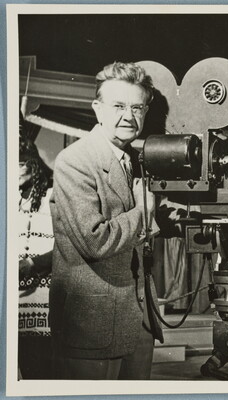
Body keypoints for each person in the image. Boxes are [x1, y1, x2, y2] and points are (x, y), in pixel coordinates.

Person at [49, 62, 163, 380]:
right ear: (97, 109)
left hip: (138, 320)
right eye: (118, 106)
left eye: (137, 108)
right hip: (91, 324)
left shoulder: (137, 161)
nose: (129, 116)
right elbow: (94, 240)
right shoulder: (75, 161)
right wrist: (145, 210)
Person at [18, 131, 54, 379]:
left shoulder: (51, 198)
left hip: (43, 302)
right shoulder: (10, 200)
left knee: (41, 373)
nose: (15, 170)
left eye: (21, 163)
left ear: (34, 165)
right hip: (16, 303)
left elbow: (66, 246)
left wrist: (33, 263)